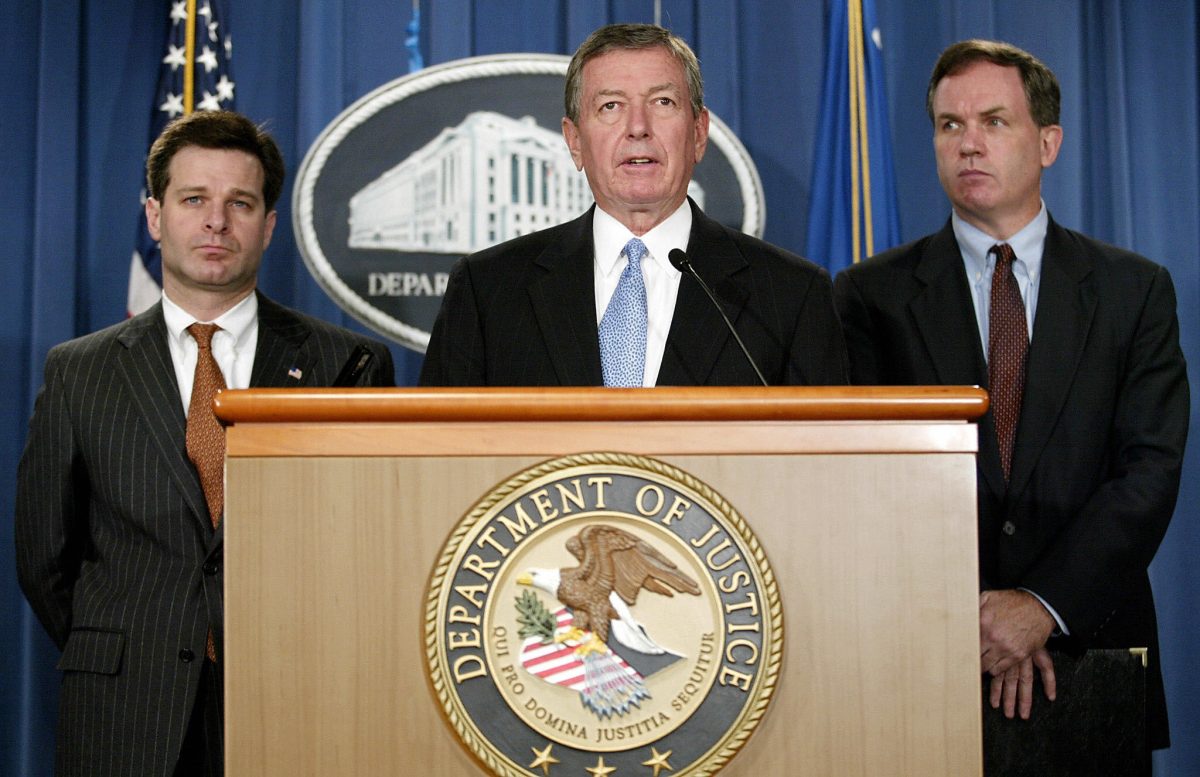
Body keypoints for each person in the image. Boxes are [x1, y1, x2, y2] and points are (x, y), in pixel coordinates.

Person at [15, 110, 395, 776]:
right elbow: (45, 555)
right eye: (194, 199)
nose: (216, 221)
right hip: (123, 709)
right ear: (155, 216)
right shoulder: (79, 371)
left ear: (268, 226)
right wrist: (136, 643)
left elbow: (369, 548)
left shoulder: (347, 364)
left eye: (239, 203)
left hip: (295, 697)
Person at [834, 40, 1188, 750]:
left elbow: (1148, 471)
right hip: (928, 653)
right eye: (950, 125)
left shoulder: (1133, 290)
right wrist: (970, 617)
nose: (968, 144)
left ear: (1048, 142)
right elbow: (862, 481)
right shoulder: (869, 297)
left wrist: (1041, 605)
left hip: (1089, 648)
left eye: (994, 121)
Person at [419, 23, 847, 387]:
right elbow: (440, 449)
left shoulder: (791, 295)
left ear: (699, 133)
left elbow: (823, 451)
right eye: (611, 106)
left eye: (663, 102)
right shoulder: (487, 291)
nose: (638, 128)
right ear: (574, 141)